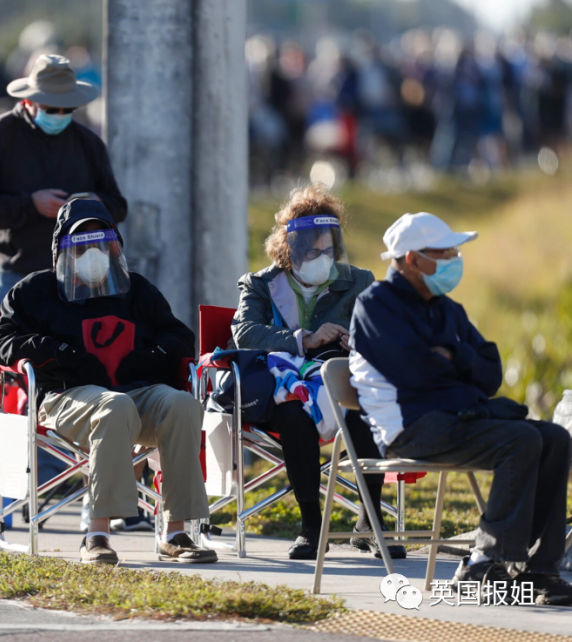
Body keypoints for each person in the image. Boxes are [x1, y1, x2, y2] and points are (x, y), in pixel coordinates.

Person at [351, 213, 572, 605]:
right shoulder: (375, 306)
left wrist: (451, 355)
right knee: (519, 440)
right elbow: (415, 373)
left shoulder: (447, 308)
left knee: (554, 437)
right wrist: (458, 369)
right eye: (446, 252)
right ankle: (482, 563)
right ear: (412, 260)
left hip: (456, 416)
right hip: (412, 427)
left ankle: (539, 569)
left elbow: (491, 371)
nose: (455, 259)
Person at [0, 199, 216, 565]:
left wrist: (152, 357)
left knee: (182, 405)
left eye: (100, 244)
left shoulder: (137, 290)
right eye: (82, 245)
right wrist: (55, 350)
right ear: (62, 249)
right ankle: (96, 534)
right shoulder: (35, 291)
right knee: (114, 405)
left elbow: (178, 335)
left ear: (115, 247)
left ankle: (176, 532)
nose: (92, 252)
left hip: (134, 392)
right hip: (66, 396)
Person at [232, 185, 400, 561]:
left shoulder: (358, 281)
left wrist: (356, 341)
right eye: (311, 249)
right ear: (287, 247)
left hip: (340, 382)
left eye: (328, 248)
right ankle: (311, 525)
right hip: (284, 386)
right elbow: (244, 333)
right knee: (294, 416)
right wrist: (304, 339)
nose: (321, 256)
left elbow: (385, 332)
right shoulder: (259, 285)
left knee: (361, 409)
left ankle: (370, 521)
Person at [0, 54, 127, 312]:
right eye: (51, 108)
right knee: (14, 351)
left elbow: (119, 205)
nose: (60, 114)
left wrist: (96, 206)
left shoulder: (88, 142)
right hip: (15, 275)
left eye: (67, 109)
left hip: (82, 277)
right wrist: (31, 204)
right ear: (28, 100)